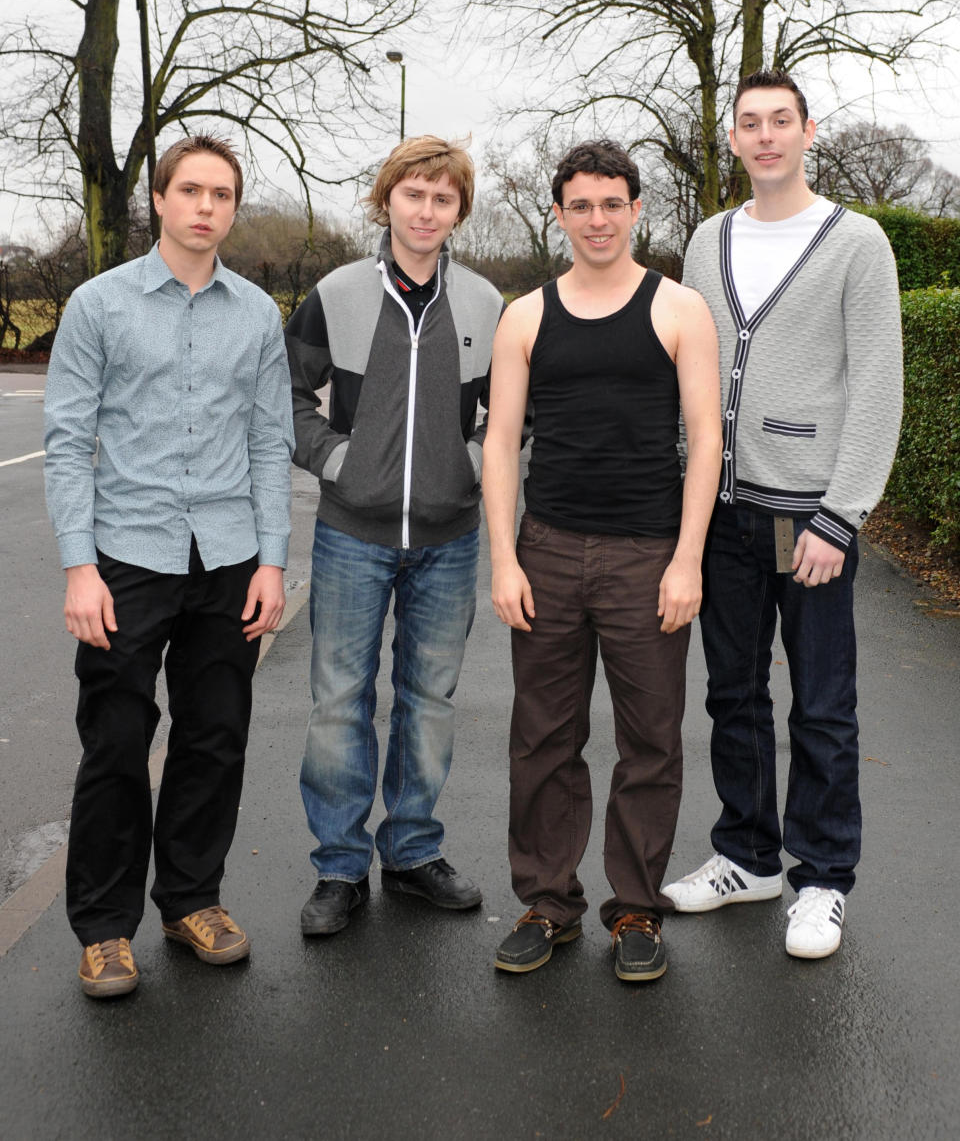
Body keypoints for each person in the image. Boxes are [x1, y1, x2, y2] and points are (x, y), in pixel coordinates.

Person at [44, 134, 295, 998]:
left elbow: (269, 441)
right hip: (126, 556)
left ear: (232, 207)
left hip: (227, 557)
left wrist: (273, 562)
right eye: (190, 190)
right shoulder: (98, 304)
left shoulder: (257, 314)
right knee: (115, 740)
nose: (205, 207)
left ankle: (193, 899)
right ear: (160, 199)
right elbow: (69, 441)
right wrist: (80, 567)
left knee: (215, 735)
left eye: (222, 194)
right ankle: (104, 928)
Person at [663, 69, 904, 959]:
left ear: (809, 131)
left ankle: (823, 876)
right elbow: (690, 364)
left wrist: (841, 514)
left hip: (809, 515)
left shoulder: (857, 242)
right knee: (733, 694)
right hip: (721, 510)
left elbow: (879, 386)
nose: (766, 136)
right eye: (749, 123)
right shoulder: (707, 238)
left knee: (823, 704)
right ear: (732, 138)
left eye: (781, 121)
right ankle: (747, 854)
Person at [483, 139, 722, 980]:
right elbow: (503, 445)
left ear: (636, 209)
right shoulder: (526, 316)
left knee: (650, 739)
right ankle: (549, 904)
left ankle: (636, 909)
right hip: (547, 550)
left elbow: (705, 443)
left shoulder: (679, 309)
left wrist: (687, 559)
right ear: (559, 214)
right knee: (542, 736)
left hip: (647, 553)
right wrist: (504, 559)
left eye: (611, 203)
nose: (597, 219)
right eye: (580, 205)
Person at [284, 135, 504, 936]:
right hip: (352, 534)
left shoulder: (486, 304)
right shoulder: (336, 293)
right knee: (339, 700)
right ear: (388, 200)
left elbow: (522, 417)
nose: (426, 210)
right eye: (413, 194)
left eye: (443, 198)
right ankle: (339, 868)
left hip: (449, 539)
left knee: (429, 699)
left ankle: (411, 851)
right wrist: (337, 459)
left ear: (458, 213)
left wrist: (470, 464)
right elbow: (287, 395)